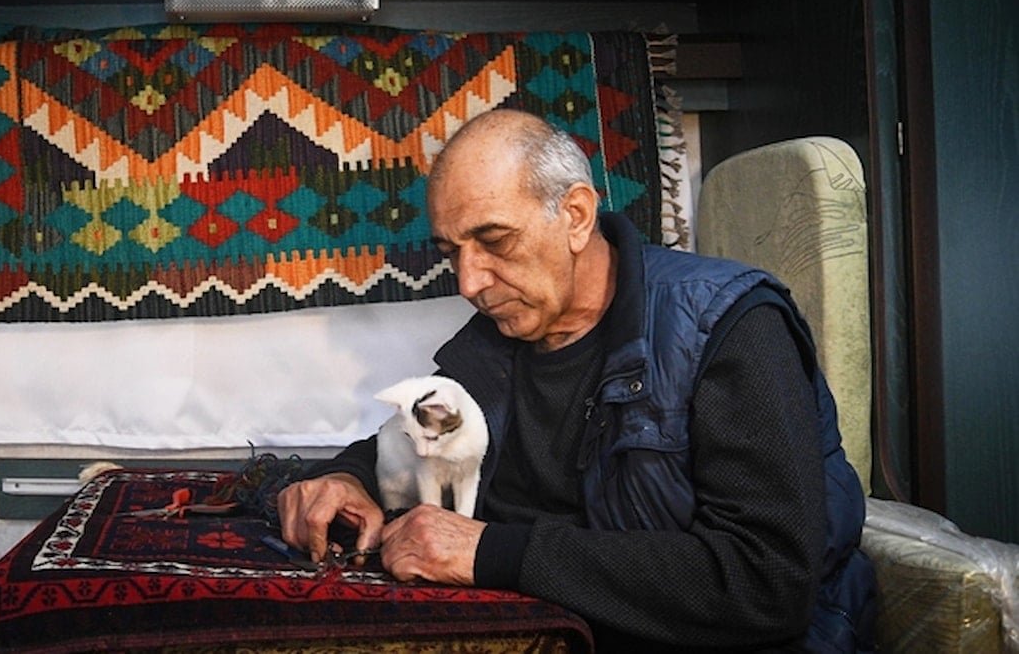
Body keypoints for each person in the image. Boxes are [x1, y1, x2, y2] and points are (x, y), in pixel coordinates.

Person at [277, 108, 877, 651]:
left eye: (494, 241)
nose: (469, 282)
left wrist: (490, 552)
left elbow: (767, 581)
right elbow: (410, 445)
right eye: (452, 251)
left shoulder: (731, 327)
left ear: (576, 216)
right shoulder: (496, 341)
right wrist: (345, 478)